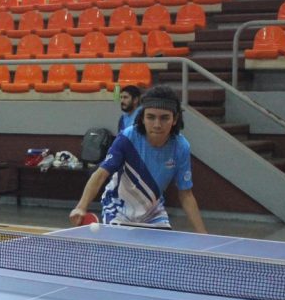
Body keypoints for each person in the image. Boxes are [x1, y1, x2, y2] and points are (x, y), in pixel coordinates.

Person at [69, 85, 208, 232]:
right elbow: (100, 174)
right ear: (142, 118)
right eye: (151, 117)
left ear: (175, 119)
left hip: (153, 212)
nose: (157, 125)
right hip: (119, 210)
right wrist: (81, 207)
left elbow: (186, 194)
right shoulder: (128, 138)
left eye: (164, 118)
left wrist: (203, 236)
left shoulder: (181, 147)